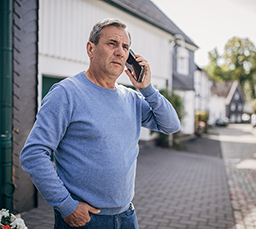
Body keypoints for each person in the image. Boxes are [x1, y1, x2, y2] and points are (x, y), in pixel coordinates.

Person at [20, 18, 180, 229]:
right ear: (90, 48)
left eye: (125, 47)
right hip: (84, 220)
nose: (120, 52)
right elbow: (33, 154)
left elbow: (171, 125)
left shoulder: (131, 98)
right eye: (112, 43)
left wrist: (147, 89)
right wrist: (66, 206)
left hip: (126, 217)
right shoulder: (66, 93)